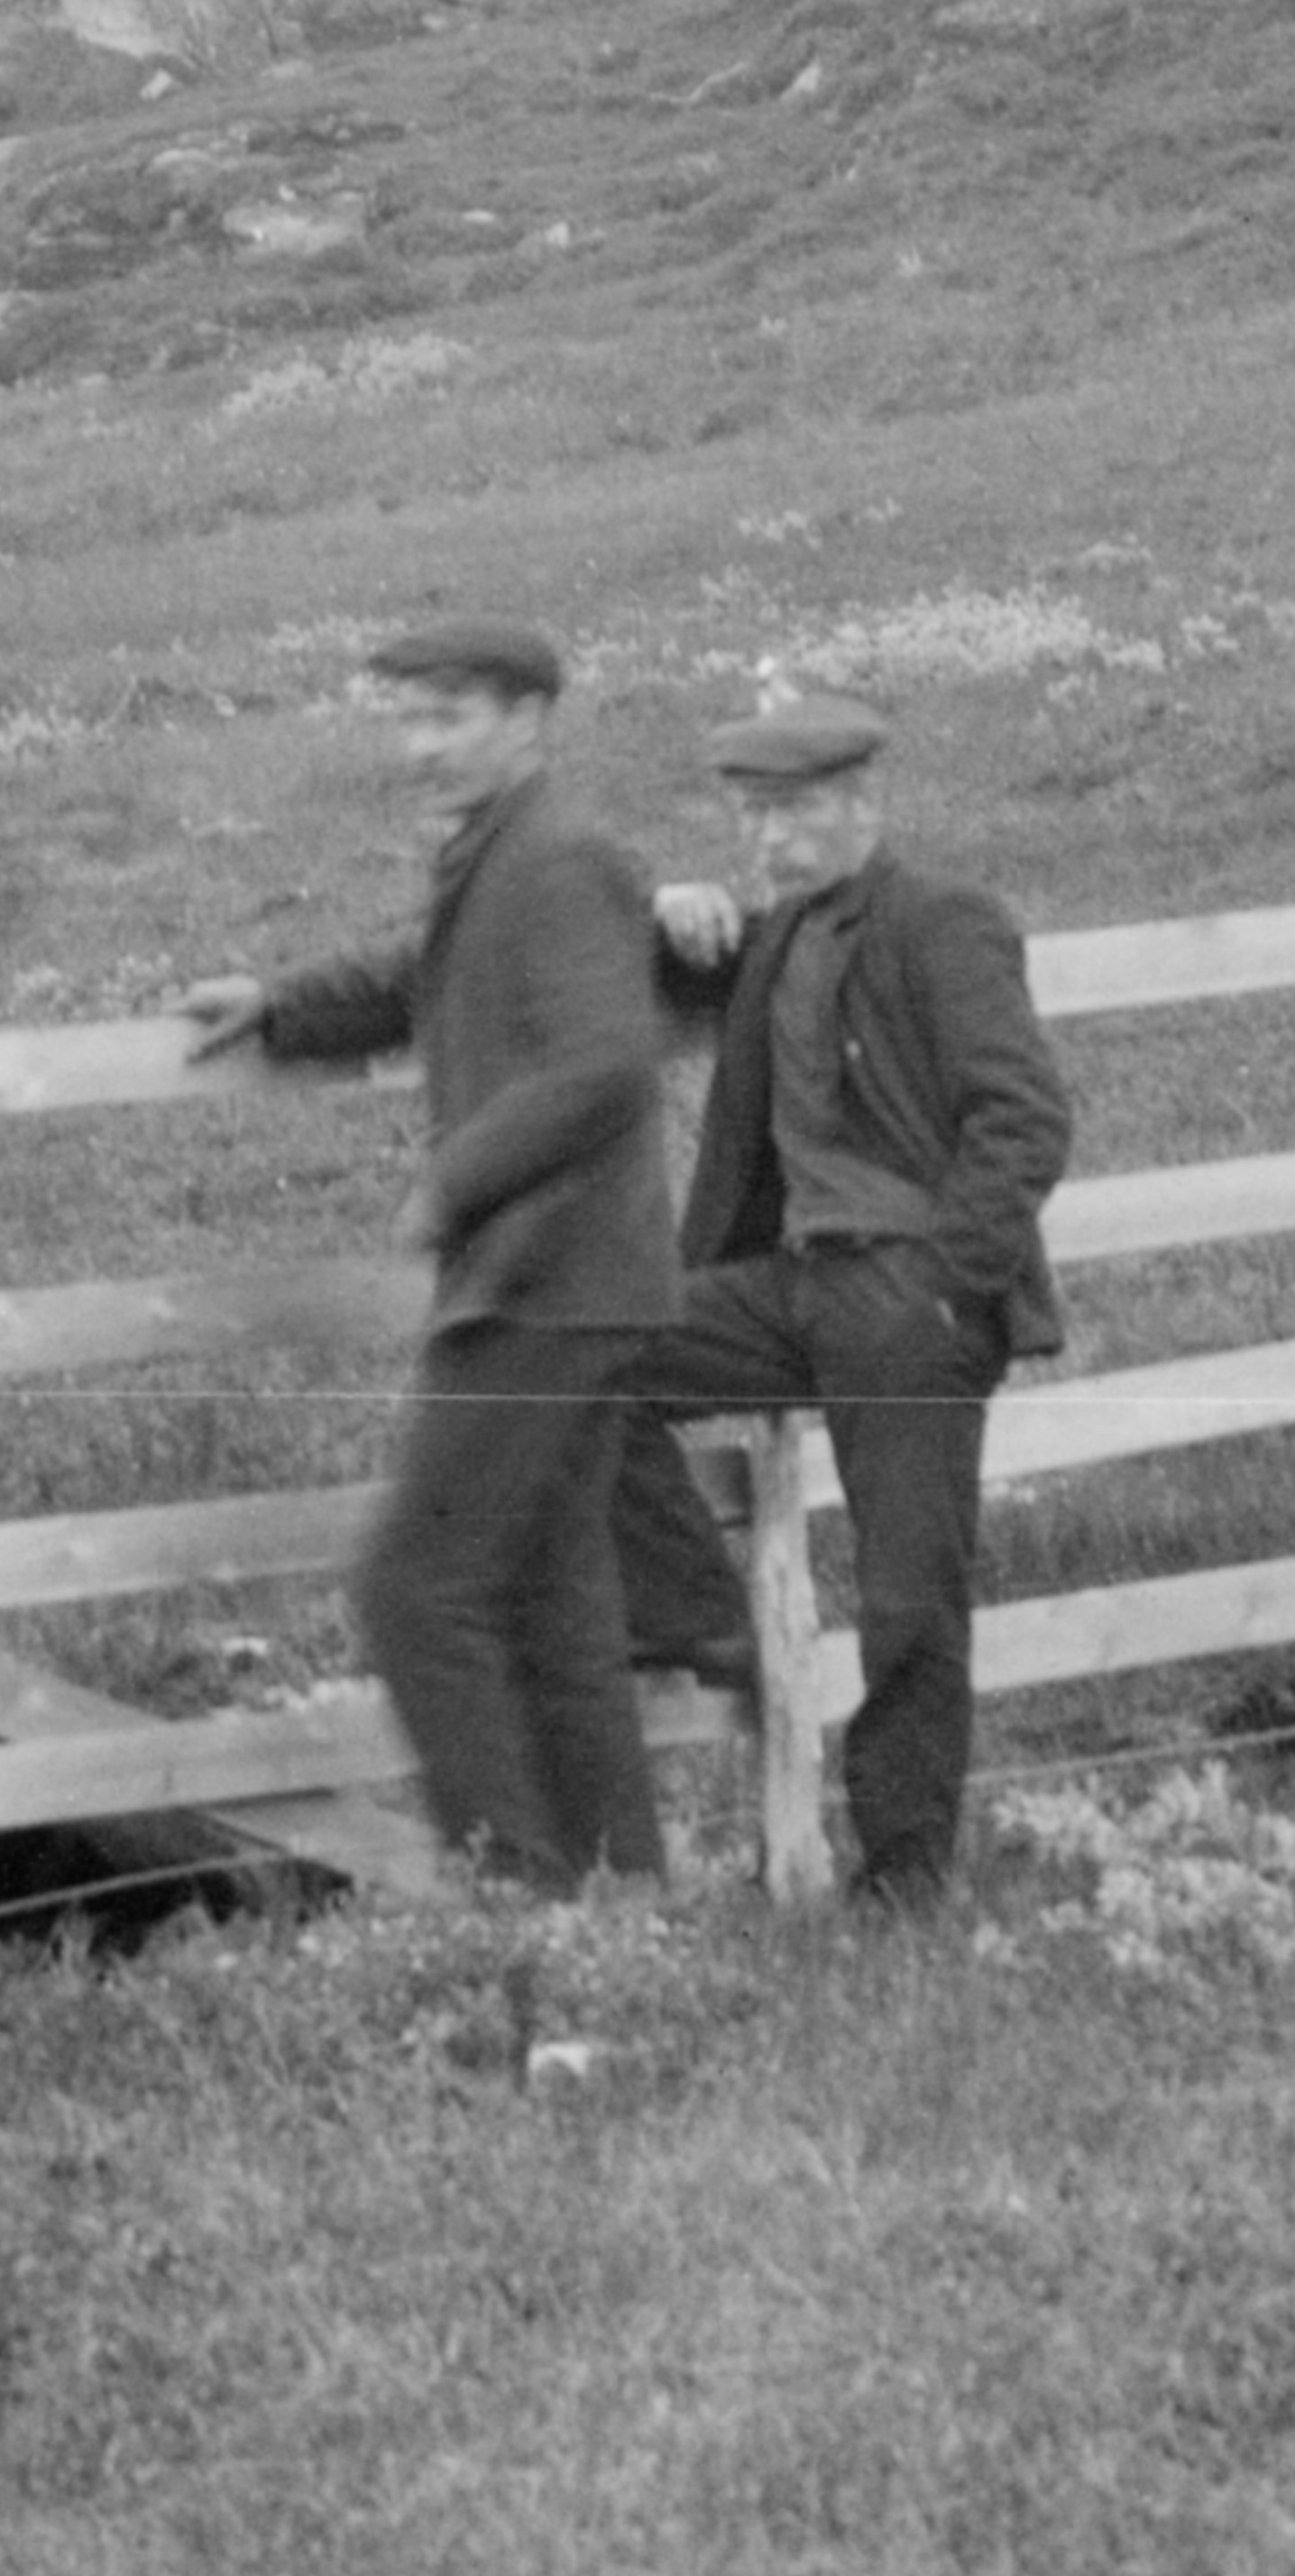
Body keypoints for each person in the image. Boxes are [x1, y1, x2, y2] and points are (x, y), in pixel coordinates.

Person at [178, 615, 680, 1890]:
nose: (422, 746)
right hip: (569, 1283)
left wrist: (454, 1182)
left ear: (528, 719)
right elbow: (428, 968)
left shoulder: (563, 857)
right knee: (557, 1603)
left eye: (450, 716)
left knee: (417, 1588)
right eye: (408, 719)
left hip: (548, 1282)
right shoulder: (508, 852)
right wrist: (283, 1002)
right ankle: (625, 1905)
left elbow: (607, 1062)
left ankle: (514, 1894)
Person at [610, 703, 1072, 1910]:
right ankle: (702, 1613)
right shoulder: (775, 933)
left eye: (798, 809)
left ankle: (904, 1875)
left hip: (909, 1298)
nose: (770, 836)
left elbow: (1025, 1118)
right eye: (753, 813)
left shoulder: (941, 919)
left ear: (866, 801)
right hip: (794, 1286)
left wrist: (945, 1284)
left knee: (910, 1596)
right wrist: (662, 910)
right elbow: (634, 960)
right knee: (584, 1350)